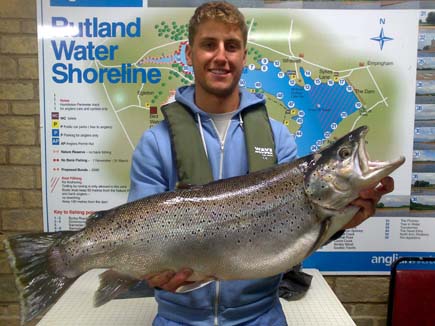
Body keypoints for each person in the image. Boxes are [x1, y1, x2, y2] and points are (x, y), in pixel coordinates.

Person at [128, 1, 395, 325]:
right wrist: (145, 272)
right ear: (188, 54)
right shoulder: (155, 143)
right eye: (209, 45)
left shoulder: (277, 138)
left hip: (260, 317)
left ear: (244, 56)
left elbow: (290, 238)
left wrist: (340, 223)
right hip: (178, 319)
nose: (221, 56)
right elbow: (135, 236)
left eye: (232, 46)